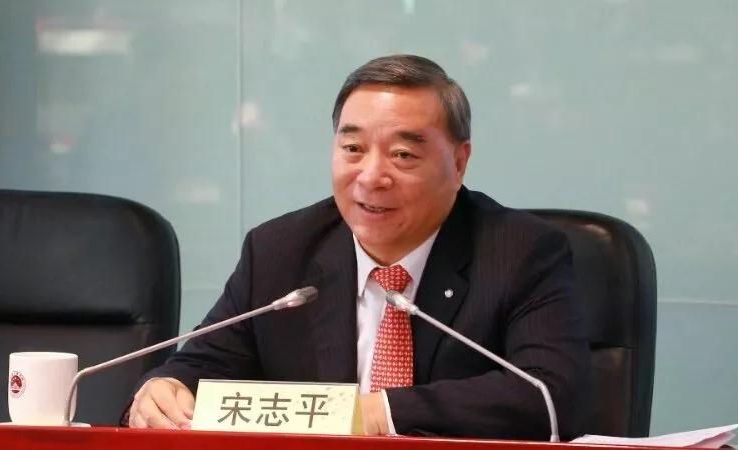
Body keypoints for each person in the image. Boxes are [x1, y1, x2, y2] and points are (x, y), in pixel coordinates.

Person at [128, 54, 590, 439]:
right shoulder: (280, 252)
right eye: (353, 149)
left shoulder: (520, 252)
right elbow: (202, 366)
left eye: (403, 155)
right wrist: (165, 388)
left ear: (459, 162)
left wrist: (377, 413)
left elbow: (550, 396)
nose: (371, 177)